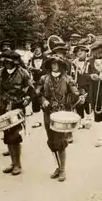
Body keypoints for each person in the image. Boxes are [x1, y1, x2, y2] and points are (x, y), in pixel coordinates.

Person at [36, 53, 84, 181]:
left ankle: (63, 169)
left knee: (60, 141)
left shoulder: (68, 79)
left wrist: (80, 96)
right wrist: (43, 100)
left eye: (57, 63)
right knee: (51, 140)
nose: (54, 66)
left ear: (61, 65)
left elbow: (75, 92)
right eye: (52, 63)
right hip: (48, 112)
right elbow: (37, 93)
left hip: (62, 113)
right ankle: (57, 166)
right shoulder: (43, 79)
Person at [0, 50, 34, 175]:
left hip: (16, 107)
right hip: (2, 107)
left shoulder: (23, 74)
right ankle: (12, 163)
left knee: (15, 136)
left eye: (9, 62)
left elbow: (31, 90)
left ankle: (18, 164)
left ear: (15, 62)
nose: (6, 64)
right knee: (7, 135)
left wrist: (27, 99)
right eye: (5, 62)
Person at [71, 44, 93, 129]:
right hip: (78, 85)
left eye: (81, 51)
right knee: (79, 102)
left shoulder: (89, 61)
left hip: (88, 85)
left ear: (86, 52)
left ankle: (88, 119)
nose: (79, 53)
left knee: (88, 102)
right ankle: (81, 120)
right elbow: (72, 75)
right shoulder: (74, 63)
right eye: (77, 51)